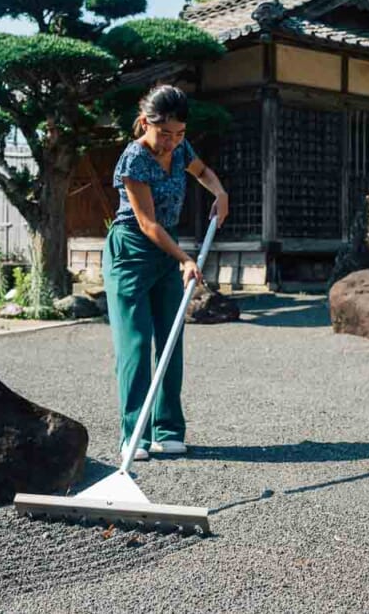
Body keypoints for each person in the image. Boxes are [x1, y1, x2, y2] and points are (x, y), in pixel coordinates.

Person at [103, 84, 229, 460]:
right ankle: (135, 436)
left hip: (166, 247)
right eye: (165, 134)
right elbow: (147, 224)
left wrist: (220, 193)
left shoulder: (180, 149)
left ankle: (168, 429)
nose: (172, 142)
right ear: (145, 123)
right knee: (137, 345)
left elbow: (203, 172)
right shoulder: (133, 160)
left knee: (170, 340)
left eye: (180, 134)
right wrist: (185, 259)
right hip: (132, 249)